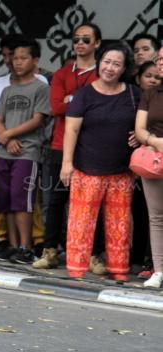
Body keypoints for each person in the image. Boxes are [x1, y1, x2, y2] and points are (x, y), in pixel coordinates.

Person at [60, 42, 139, 281]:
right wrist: (66, 163)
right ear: (99, 62)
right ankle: (76, 269)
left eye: (116, 64)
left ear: (124, 68)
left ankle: (119, 270)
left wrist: (140, 134)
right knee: (81, 223)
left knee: (120, 225)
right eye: (106, 61)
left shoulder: (134, 93)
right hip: (86, 169)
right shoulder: (85, 94)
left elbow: (147, 120)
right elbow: (71, 131)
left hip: (122, 170)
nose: (110, 68)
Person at [34, 23, 102, 270]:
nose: (80, 43)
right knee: (56, 201)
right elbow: (56, 108)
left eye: (86, 39)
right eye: (76, 39)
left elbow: (99, 110)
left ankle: (94, 256)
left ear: (97, 44)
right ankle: (50, 251)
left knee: (93, 203)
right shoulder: (62, 73)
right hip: (60, 145)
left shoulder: (102, 74)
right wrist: (83, 101)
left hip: (93, 146)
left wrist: (72, 99)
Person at [0, 34, 48, 259]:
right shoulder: (7, 89)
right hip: (3, 151)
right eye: (15, 58)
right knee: (5, 199)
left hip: (27, 152)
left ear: (35, 61)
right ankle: (12, 244)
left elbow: (38, 119)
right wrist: (6, 139)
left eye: (23, 58)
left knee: (23, 200)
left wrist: (9, 135)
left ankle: (25, 247)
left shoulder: (40, 88)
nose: (17, 62)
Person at [134, 46, 163, 287]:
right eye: (160, 58)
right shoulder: (151, 93)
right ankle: (159, 270)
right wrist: (155, 142)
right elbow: (140, 129)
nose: (161, 63)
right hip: (155, 159)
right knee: (156, 217)